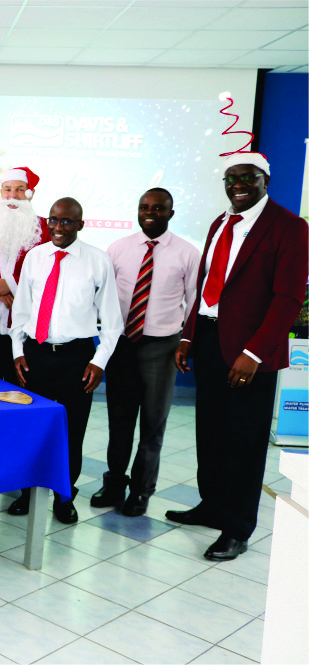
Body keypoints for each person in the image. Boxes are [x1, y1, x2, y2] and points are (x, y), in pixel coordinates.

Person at [169, 153, 308, 561]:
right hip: (210, 340)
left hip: (251, 351)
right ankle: (212, 506)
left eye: (247, 177)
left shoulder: (289, 227)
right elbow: (206, 287)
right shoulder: (219, 223)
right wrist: (189, 337)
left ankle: (237, 527)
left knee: (244, 442)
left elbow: (288, 298)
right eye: (231, 178)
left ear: (265, 180)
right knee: (209, 433)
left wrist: (253, 352)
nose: (237, 185)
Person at [9, 197, 122, 524]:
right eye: (54, 221)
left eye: (67, 222)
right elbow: (22, 312)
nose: (59, 227)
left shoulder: (97, 262)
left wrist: (99, 361)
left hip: (77, 357)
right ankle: (27, 493)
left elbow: (113, 322)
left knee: (72, 430)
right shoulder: (35, 257)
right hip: (36, 354)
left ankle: (64, 495)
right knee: (32, 427)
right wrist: (18, 351)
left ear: (80, 224)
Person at [91, 188, 199, 517]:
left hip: (162, 347)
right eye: (144, 207)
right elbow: (104, 296)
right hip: (123, 344)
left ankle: (141, 491)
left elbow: (194, 301)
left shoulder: (187, 253)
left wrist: (186, 342)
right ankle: (114, 484)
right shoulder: (118, 249)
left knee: (153, 425)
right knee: (119, 422)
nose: (149, 212)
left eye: (158, 208)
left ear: (170, 213)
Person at [0, 167, 50, 383]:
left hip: (24, 321)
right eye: (7, 189)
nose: (12, 195)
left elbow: (48, 270)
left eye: (20, 189)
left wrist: (13, 286)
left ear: (30, 193)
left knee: (20, 386)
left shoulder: (45, 229)